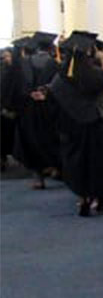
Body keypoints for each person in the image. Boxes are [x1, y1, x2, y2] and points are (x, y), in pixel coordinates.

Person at [47, 31, 103, 216]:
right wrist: (102, 57)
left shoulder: (60, 77)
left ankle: (83, 198)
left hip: (71, 127)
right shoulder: (96, 75)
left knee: (76, 164)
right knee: (98, 163)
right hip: (95, 125)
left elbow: (53, 101)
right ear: (88, 52)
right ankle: (100, 199)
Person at [13, 32, 62, 188]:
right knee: (52, 138)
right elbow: (60, 86)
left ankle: (38, 178)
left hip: (30, 108)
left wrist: (29, 94)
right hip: (49, 108)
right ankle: (56, 168)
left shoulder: (25, 63)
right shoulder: (55, 64)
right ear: (50, 48)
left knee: (31, 141)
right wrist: (46, 93)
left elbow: (18, 86)